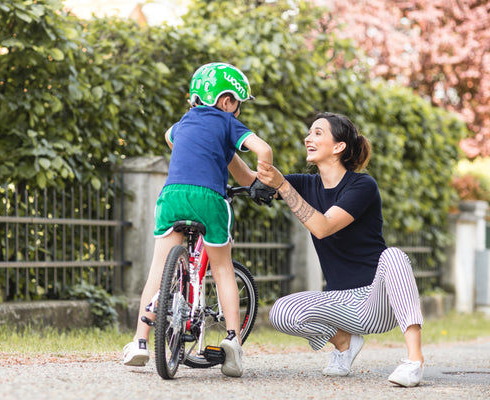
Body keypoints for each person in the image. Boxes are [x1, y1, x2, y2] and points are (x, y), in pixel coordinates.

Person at [228, 112, 424, 387]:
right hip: (340, 302)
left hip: (377, 301)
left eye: (318, 133)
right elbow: (251, 181)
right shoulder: (305, 184)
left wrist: (283, 185)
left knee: (394, 256)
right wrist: (224, 145)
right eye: (309, 133)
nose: (308, 138)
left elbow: (323, 226)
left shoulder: (362, 185)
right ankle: (344, 343)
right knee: (281, 312)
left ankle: (414, 361)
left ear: (338, 146)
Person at [122, 62, 273, 378]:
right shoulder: (227, 123)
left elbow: (174, 140)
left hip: (172, 196)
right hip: (209, 200)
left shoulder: (182, 124)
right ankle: (232, 341)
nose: (237, 112)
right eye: (237, 106)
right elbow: (263, 149)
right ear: (227, 101)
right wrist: (266, 180)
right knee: (221, 268)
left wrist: (241, 175)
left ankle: (139, 342)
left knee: (159, 268)